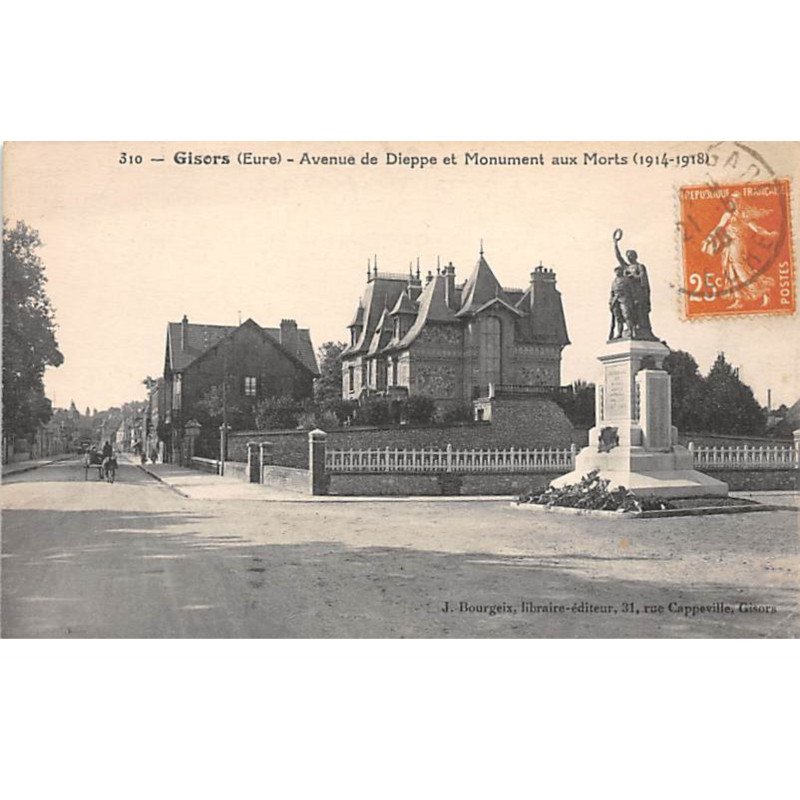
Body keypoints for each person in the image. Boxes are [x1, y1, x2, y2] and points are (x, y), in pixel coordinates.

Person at [701, 192, 777, 309]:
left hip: (737, 244)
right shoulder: (727, 215)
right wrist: (708, 239)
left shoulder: (743, 215)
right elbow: (718, 228)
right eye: (730, 201)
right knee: (730, 270)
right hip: (728, 245)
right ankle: (739, 299)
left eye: (733, 201)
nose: (730, 203)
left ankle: (762, 292)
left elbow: (756, 228)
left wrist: (768, 233)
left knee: (740, 269)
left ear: (738, 202)